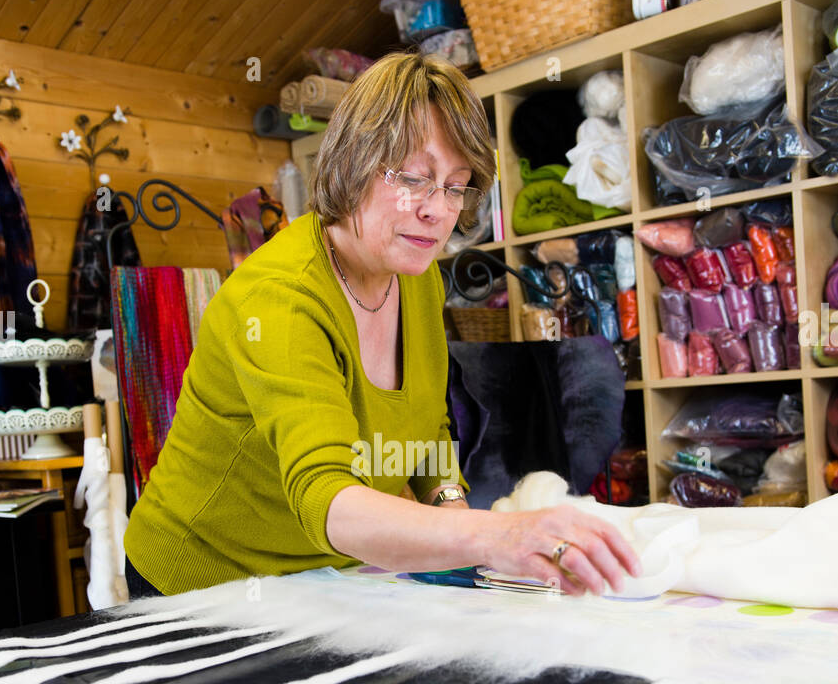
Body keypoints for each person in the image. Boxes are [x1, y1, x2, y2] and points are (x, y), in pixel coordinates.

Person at [123, 51, 641, 599]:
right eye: (415, 179)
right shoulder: (279, 299)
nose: (438, 210)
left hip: (322, 574)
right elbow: (328, 499)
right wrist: (492, 534)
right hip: (204, 581)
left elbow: (428, 428)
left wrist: (451, 513)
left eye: (455, 185)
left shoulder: (415, 274)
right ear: (352, 162)